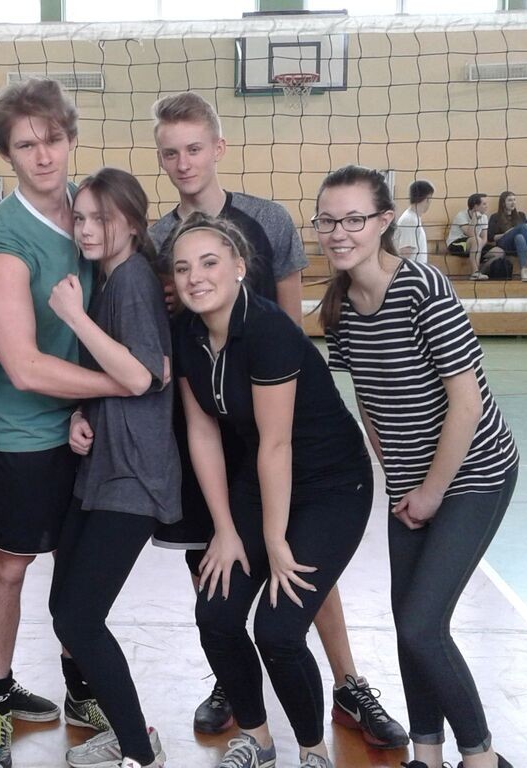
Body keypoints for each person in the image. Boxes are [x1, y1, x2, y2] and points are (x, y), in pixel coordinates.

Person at [148, 91, 408, 751]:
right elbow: (192, 406)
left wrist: (273, 528)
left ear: (217, 148)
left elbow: (288, 340)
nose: (183, 161)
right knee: (220, 600)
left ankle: (345, 687)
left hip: (292, 438)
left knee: (290, 598)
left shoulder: (266, 224)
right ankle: (245, 712)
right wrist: (230, 526)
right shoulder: (159, 248)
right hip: (229, 441)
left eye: (194, 147)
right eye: (170, 152)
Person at [319, 165, 521, 768]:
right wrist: (398, 478)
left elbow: (467, 402)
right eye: (328, 221)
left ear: (384, 221)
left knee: (420, 625)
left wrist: (431, 491)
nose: (339, 232)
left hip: (475, 472)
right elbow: (369, 400)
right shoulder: (339, 309)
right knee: (408, 620)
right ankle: (426, 754)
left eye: (354, 219)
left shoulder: (423, 288)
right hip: (412, 485)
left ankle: (481, 757)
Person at [169, 212, 375, 768]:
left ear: (239, 266)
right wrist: (225, 530)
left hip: (332, 484)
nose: (195, 277)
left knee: (279, 630)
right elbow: (202, 432)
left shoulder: (268, 330)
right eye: (183, 268)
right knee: (216, 615)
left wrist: (275, 541)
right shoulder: (187, 333)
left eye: (209, 263)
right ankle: (257, 740)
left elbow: (278, 444)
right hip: (261, 481)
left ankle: (312, 751)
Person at [0, 77, 133, 767]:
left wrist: (98, 402)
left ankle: (80, 692)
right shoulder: (1, 238)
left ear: (71, 138)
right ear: (7, 154)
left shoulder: (91, 212)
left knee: (79, 574)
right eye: (25, 145)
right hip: (22, 437)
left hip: (84, 429)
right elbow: (24, 365)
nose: (43, 156)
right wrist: (123, 384)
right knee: (7, 575)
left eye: (54, 139)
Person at [48, 168, 179, 768]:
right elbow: (114, 374)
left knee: (78, 617)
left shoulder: (131, 281)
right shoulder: (107, 279)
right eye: (80, 217)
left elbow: (143, 375)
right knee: (65, 608)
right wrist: (83, 412)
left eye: (101, 218)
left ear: (131, 222)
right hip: (101, 467)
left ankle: (139, 753)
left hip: (134, 474)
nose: (87, 229)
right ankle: (133, 732)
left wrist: (73, 316)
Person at [486, 191, 527, 282]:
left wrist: (514, 232)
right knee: (524, 226)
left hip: (519, 246)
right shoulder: (495, 217)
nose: (513, 202)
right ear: (503, 203)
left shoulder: (521, 215)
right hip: (504, 244)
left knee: (519, 237)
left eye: (514, 200)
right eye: (510, 200)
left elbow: (526, 235)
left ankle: (524, 271)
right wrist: (508, 233)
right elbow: (490, 237)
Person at [447, 193, 491, 280]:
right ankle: (475, 273)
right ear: (475, 206)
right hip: (456, 244)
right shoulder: (461, 215)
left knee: (499, 252)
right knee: (476, 240)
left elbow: (484, 238)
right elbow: (470, 234)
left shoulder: (484, 217)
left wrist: (479, 249)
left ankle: (482, 271)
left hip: (476, 244)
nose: (487, 206)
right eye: (484, 204)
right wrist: (474, 219)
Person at [394, 179, 435, 266]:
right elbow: (405, 253)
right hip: (412, 272)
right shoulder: (410, 220)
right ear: (428, 198)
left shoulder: (413, 218)